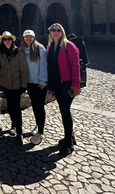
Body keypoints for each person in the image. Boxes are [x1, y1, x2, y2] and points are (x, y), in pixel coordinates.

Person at [47, 23, 81, 156]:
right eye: (53, 30)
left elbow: (75, 65)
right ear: (50, 32)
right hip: (57, 84)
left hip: (67, 84)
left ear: (63, 32)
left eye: (58, 30)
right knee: (63, 110)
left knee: (65, 111)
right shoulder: (51, 47)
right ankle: (70, 137)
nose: (56, 32)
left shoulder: (69, 45)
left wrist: (76, 85)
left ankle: (69, 143)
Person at [0, 31, 28, 144]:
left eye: (9, 39)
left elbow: (24, 70)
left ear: (12, 40)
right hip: (6, 85)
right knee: (10, 106)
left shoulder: (18, 52)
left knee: (16, 108)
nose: (7, 41)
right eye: (5, 39)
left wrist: (23, 86)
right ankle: (13, 125)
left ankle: (19, 133)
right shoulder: (0, 53)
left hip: (16, 85)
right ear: (2, 41)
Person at [22, 29, 48, 145]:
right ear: (23, 38)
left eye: (30, 37)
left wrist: (43, 80)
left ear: (34, 38)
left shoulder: (39, 48)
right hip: (30, 83)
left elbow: (43, 65)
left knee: (40, 106)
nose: (28, 39)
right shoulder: (23, 50)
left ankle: (41, 132)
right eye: (26, 37)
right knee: (35, 106)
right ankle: (38, 125)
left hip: (39, 83)